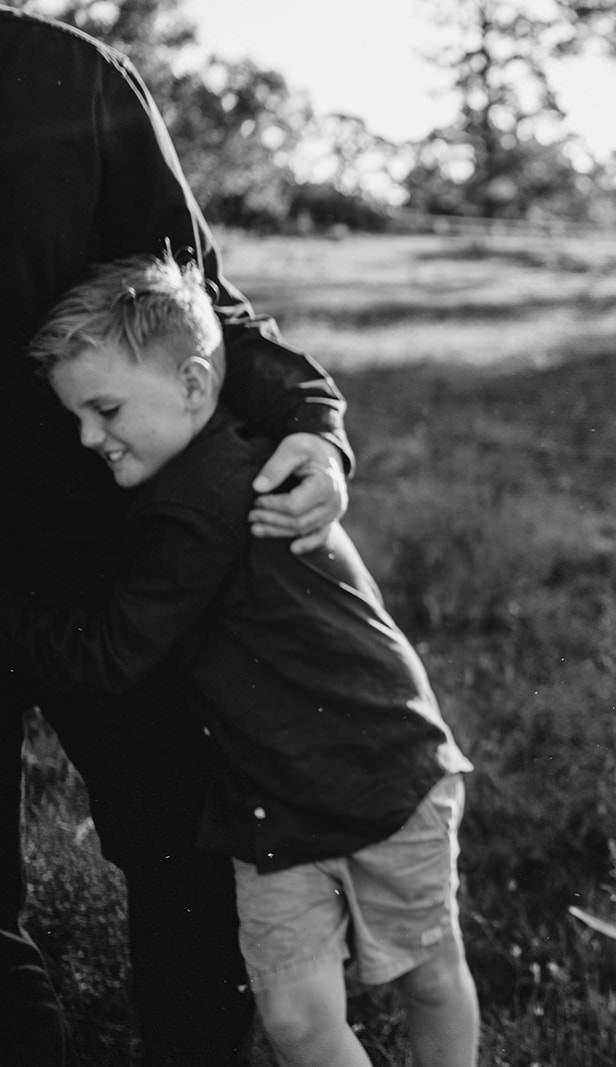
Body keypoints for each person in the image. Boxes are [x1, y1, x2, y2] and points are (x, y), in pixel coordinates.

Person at [3, 252, 479, 1067]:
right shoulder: (183, 476)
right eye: (76, 416)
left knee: (429, 971)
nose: (88, 437)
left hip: (380, 770)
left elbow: (111, 652)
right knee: (296, 1019)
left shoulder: (207, 501)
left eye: (105, 408)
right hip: (268, 801)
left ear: (193, 384)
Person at [0, 8, 353, 1063]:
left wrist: (316, 425)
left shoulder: (69, 81)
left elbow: (190, 310)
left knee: (188, 859)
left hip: (110, 561)